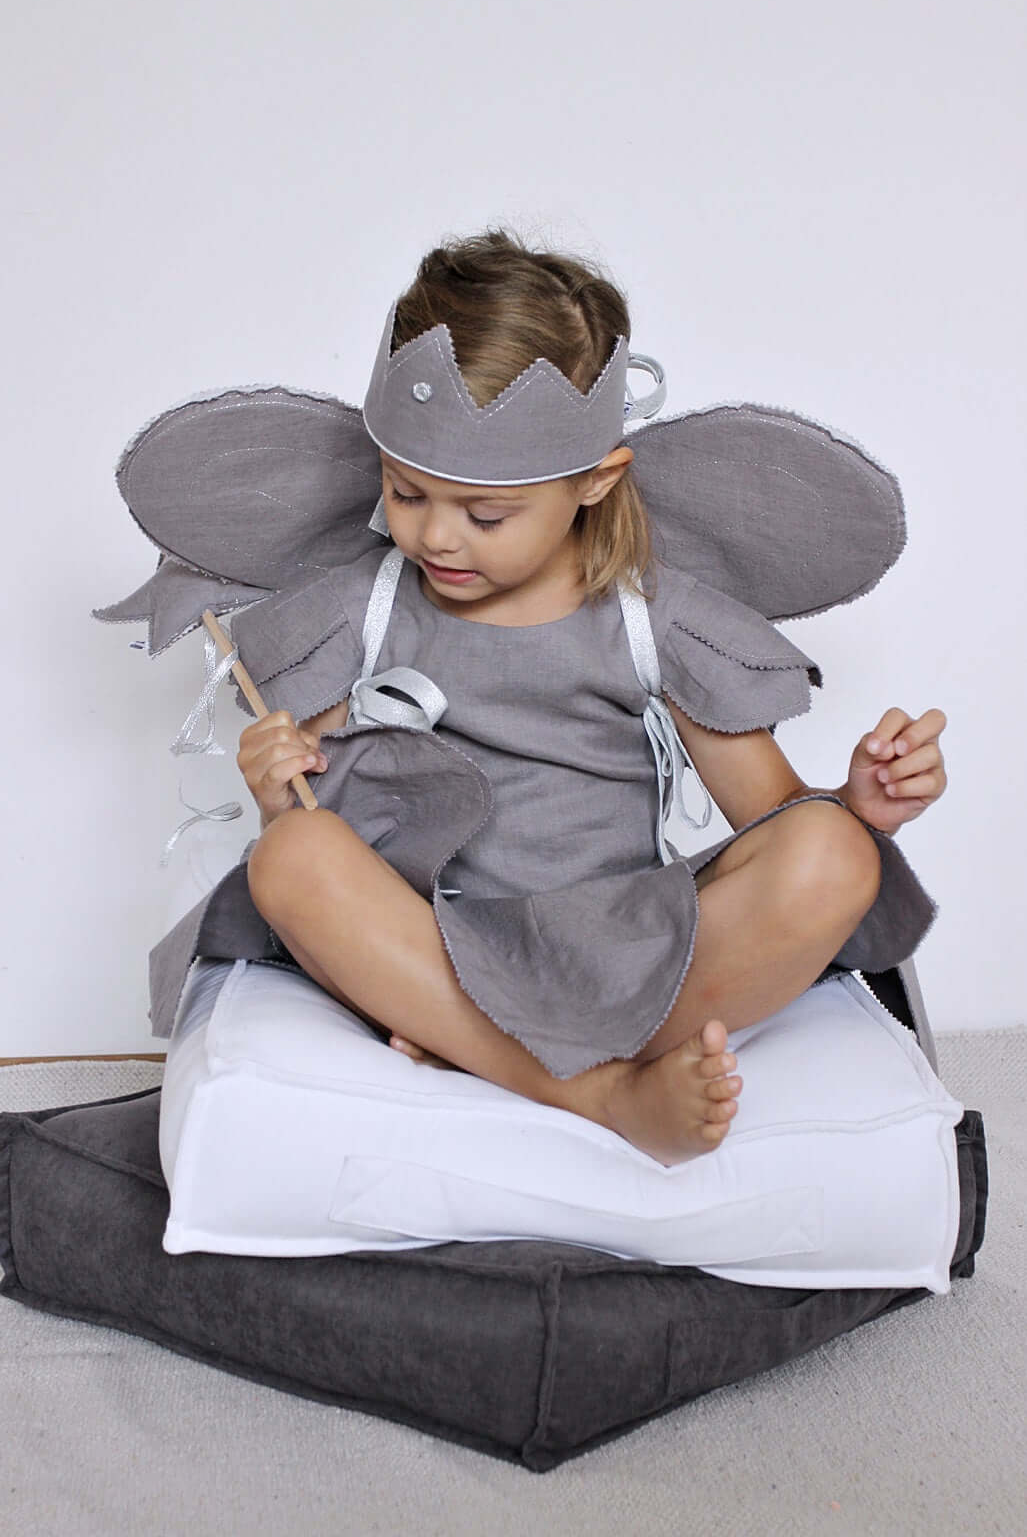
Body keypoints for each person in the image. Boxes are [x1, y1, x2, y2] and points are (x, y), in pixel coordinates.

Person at [222, 228, 948, 1168]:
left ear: (595, 482)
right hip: (435, 942)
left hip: (625, 944)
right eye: (405, 494)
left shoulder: (650, 618)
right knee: (292, 857)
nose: (436, 537)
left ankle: (481, 1053)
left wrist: (859, 807)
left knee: (832, 854)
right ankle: (601, 1094)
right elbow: (315, 809)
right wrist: (275, 787)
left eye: (485, 514)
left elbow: (772, 816)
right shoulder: (365, 609)